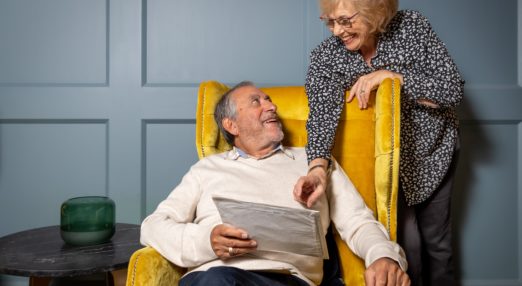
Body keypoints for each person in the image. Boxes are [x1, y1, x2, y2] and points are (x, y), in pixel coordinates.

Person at [140, 81, 410, 286]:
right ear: (231, 125)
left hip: (287, 279)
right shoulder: (207, 169)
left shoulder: (314, 163)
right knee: (216, 280)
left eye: (269, 101)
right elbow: (153, 226)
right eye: (257, 102)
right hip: (211, 277)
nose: (271, 106)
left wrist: (383, 257)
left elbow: (358, 223)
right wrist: (207, 242)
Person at [292, 0, 464, 285]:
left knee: (438, 243)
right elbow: (321, 116)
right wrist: (318, 167)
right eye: (330, 22)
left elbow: (451, 89)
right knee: (407, 248)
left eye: (345, 20)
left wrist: (394, 79)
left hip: (434, 152)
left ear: (374, 12)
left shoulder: (412, 27)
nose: (337, 31)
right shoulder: (325, 57)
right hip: (385, 164)